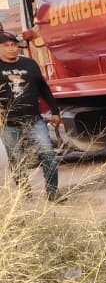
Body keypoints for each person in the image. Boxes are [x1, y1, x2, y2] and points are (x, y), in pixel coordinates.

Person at [0, 28, 61, 200]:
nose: (12, 48)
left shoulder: (30, 64)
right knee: (17, 160)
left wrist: (55, 111)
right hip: (9, 124)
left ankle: (53, 192)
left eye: (14, 45)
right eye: (7, 46)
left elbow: (43, 89)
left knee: (48, 153)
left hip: (34, 120)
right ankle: (24, 195)